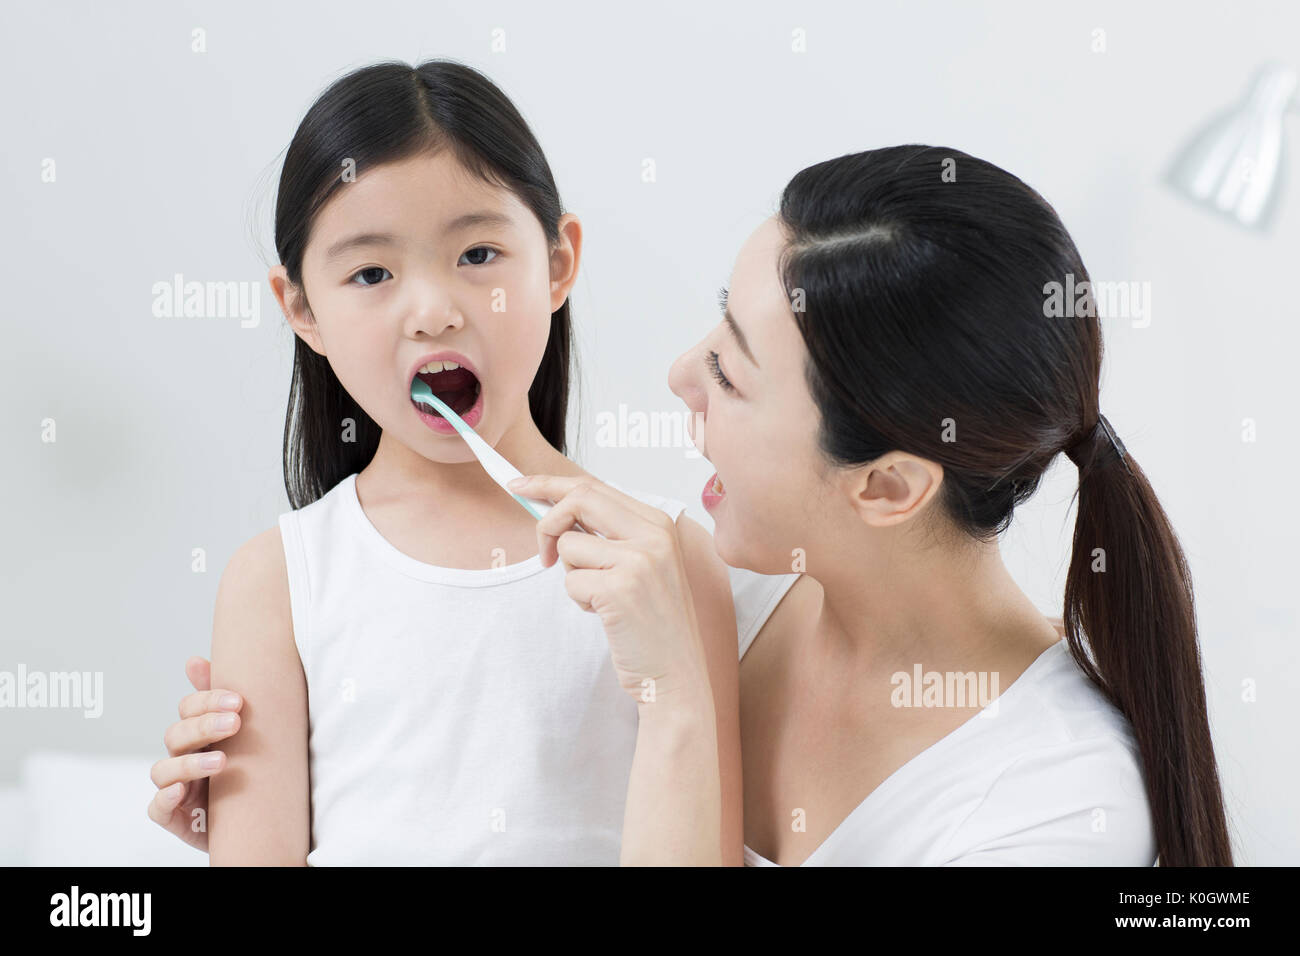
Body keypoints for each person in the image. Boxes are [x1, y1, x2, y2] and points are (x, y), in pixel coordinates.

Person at [153, 139, 1234, 866]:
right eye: (713, 327)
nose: (678, 375)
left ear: (891, 482)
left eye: (731, 370)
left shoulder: (1047, 805)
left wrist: (680, 707)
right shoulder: (692, 571)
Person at [188, 58, 740, 865]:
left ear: (557, 264)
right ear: (301, 309)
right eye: (371, 273)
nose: (433, 312)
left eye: (478, 255)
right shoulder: (276, 582)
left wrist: (673, 695)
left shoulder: (668, 562)